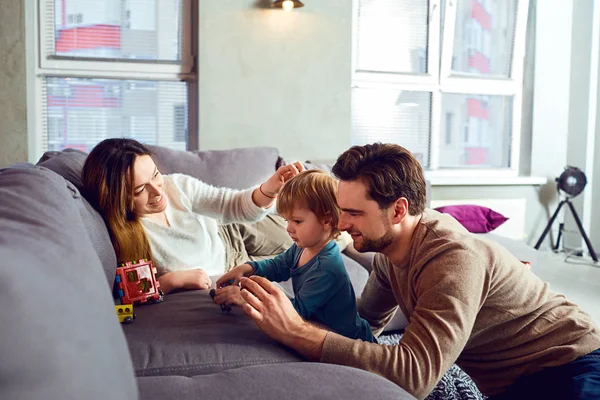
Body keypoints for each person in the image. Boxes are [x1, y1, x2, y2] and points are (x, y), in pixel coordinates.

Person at [237, 143, 600, 400]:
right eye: (340, 210)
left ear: (398, 210)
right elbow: (364, 325)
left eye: (354, 213)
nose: (342, 224)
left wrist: (298, 331)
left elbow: (414, 376)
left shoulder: (451, 259)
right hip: (513, 384)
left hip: (571, 365)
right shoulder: (388, 254)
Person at [82, 138, 303, 294]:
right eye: (140, 190)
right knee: (304, 257)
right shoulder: (122, 236)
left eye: (156, 175)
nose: (158, 192)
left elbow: (231, 205)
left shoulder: (176, 186)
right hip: (231, 267)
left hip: (230, 230)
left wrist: (270, 189)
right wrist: (168, 282)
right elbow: (122, 294)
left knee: (320, 230)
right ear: (116, 199)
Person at [213, 170, 375, 343]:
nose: (289, 228)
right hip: (320, 329)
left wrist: (245, 298)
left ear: (326, 220)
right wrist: (247, 268)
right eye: (287, 221)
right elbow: (278, 266)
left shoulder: (327, 268)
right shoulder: (302, 246)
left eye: (297, 221)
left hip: (349, 342)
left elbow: (295, 312)